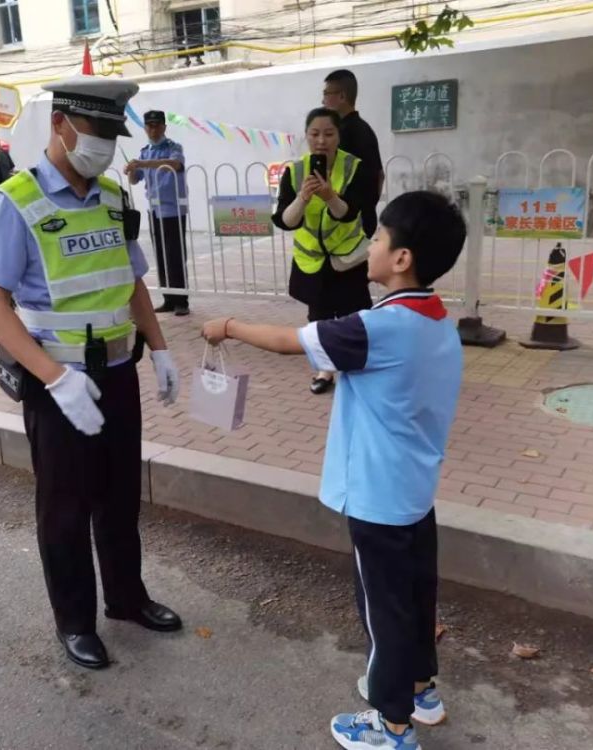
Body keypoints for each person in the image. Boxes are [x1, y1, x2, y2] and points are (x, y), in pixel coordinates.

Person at [202, 190, 468, 750]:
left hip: (377, 496)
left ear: (402, 259)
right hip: (415, 492)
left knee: (384, 610)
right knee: (415, 595)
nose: (369, 245)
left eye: (377, 237)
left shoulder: (377, 329)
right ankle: (420, 691)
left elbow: (284, 342)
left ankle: (391, 725)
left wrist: (226, 325)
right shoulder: (438, 320)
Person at [0, 76, 184, 671]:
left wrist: (160, 347)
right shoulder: (14, 201)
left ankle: (126, 598)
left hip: (117, 373)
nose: (104, 145)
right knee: (64, 507)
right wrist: (57, 380)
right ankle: (74, 621)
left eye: (113, 134)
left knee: (119, 497)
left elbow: (132, 280)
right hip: (56, 382)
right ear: (60, 125)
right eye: (95, 131)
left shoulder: (115, 197)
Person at [275, 107, 373, 394]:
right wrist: (303, 198)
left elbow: (350, 212)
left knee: (355, 314)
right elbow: (286, 221)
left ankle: (359, 367)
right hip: (312, 260)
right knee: (318, 317)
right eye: (314, 134)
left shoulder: (355, 167)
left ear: (338, 136)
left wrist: (330, 195)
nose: (321, 141)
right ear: (306, 136)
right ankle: (325, 369)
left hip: (347, 257)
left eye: (328, 134)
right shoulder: (294, 172)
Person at [124, 110, 190, 316]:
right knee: (161, 255)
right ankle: (168, 298)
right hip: (154, 209)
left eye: (156, 125)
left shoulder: (173, 148)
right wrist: (132, 169)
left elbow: (175, 164)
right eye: (149, 126)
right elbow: (136, 180)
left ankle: (182, 301)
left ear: (163, 127)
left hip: (172, 209)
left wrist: (141, 163)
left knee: (175, 254)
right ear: (145, 128)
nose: (153, 129)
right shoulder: (145, 152)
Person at [323, 69, 384, 238]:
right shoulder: (366, 130)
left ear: (342, 96)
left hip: (347, 223)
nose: (323, 100)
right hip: (365, 218)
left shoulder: (341, 135)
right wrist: (369, 206)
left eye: (327, 94)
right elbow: (380, 176)